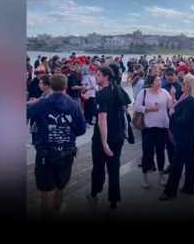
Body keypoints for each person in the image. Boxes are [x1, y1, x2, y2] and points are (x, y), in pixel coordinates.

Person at [27, 74, 87, 222]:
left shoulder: (41, 105)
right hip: (66, 151)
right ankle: (57, 210)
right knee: (60, 184)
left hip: (45, 152)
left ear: (51, 87)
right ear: (66, 87)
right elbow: (82, 129)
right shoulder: (74, 105)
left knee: (47, 190)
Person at [87, 65, 127, 218]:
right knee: (114, 168)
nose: (95, 76)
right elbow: (125, 107)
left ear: (106, 77)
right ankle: (113, 203)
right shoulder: (117, 88)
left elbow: (102, 120)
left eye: (97, 74)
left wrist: (104, 143)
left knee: (98, 167)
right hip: (118, 135)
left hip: (103, 137)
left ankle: (94, 194)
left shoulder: (101, 95)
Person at [159, 74, 194, 201]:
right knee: (189, 163)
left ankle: (170, 191)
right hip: (187, 137)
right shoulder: (187, 98)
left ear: (189, 87)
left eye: (183, 84)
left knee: (176, 165)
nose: (181, 85)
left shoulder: (189, 101)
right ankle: (189, 188)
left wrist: (173, 114)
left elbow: (184, 120)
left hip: (185, 138)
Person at [134, 73, 174, 189]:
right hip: (148, 128)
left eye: (160, 81)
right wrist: (149, 109)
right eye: (157, 81)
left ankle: (161, 176)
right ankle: (144, 176)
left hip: (163, 127)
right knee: (147, 153)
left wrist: (172, 95)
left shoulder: (165, 92)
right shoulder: (144, 92)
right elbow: (137, 107)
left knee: (161, 152)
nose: (159, 82)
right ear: (151, 83)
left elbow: (171, 106)